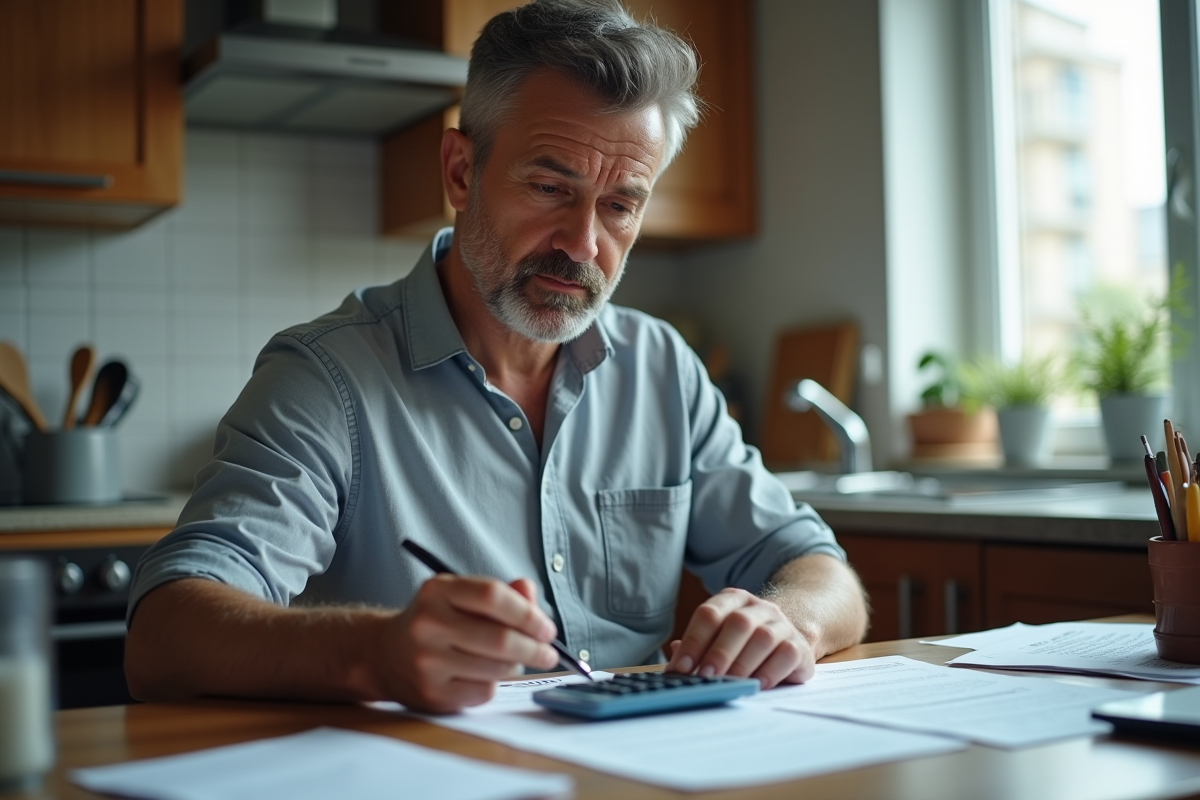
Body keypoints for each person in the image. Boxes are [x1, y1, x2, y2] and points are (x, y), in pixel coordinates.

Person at [125, 0, 869, 714]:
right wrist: (374, 652)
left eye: (620, 206)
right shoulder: (325, 379)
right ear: (459, 170)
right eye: (549, 187)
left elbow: (813, 565)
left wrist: (790, 622)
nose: (583, 246)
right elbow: (164, 636)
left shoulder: (663, 369)